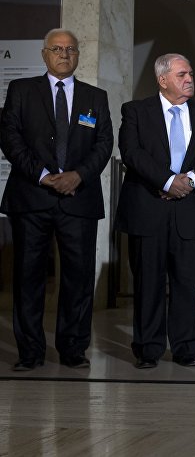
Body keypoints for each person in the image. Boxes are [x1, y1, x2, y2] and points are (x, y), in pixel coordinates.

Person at [0, 28, 113, 371]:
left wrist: (77, 175)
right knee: (29, 276)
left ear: (78, 55)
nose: (64, 54)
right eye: (57, 49)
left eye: (71, 50)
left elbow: (104, 143)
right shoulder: (21, 90)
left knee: (78, 278)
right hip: (32, 197)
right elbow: (9, 136)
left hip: (79, 198)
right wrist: (44, 175)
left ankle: (73, 349)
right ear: (44, 54)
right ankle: (31, 351)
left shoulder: (96, 96)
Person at [116, 53, 195, 369]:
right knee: (148, 282)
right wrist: (167, 181)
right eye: (182, 74)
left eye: (191, 73)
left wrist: (189, 181)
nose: (189, 79)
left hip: (190, 212)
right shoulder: (136, 111)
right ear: (162, 79)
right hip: (148, 209)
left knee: (186, 282)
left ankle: (186, 348)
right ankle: (148, 349)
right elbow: (131, 153)